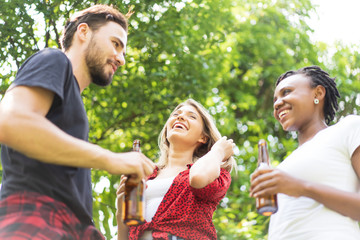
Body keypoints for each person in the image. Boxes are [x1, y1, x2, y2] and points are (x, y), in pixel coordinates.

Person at [0, 4, 155, 239]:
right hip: (36, 217)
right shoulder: (53, 59)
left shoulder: (74, 105)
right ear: (83, 32)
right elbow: (10, 121)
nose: (121, 58)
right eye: (116, 44)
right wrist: (110, 158)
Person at [250, 66, 360, 239]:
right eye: (275, 99)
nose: (277, 103)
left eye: (286, 92)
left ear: (317, 94)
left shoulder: (349, 128)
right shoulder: (285, 166)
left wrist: (301, 188)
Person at [116, 99, 237, 240]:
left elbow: (197, 178)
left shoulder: (216, 173)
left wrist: (218, 151)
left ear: (203, 137)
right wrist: (120, 210)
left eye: (191, 116)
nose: (180, 117)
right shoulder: (145, 175)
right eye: (175, 114)